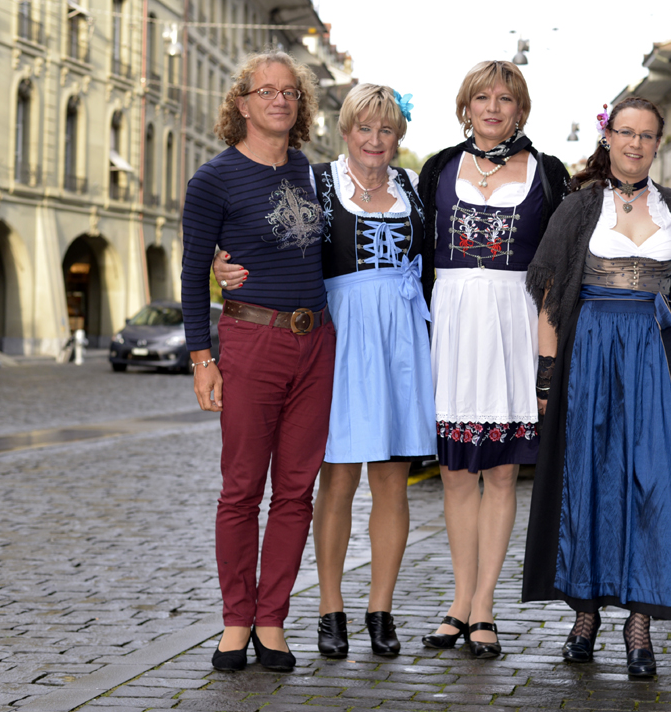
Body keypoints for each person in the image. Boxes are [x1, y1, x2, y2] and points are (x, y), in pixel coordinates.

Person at [213, 84, 432, 660]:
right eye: (365, 128)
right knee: (336, 477)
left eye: (387, 129)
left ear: (399, 135)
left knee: (392, 480)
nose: (375, 140)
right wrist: (221, 260)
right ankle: (329, 609)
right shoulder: (315, 181)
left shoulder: (413, 186)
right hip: (338, 334)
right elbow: (265, 230)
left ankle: (380, 609)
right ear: (345, 130)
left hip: (400, 341)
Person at [522, 97, 671, 679]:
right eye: (626, 132)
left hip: (652, 355)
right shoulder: (579, 208)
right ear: (608, 137)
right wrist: (546, 377)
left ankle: (639, 623)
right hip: (589, 352)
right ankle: (585, 614)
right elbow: (550, 297)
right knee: (589, 479)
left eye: (647, 135)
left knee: (648, 482)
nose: (635, 144)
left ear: (658, 144)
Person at [181, 50, 335, 673]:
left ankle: (272, 620)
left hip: (316, 342)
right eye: (265, 90)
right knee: (242, 488)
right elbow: (193, 274)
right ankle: (235, 620)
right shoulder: (213, 179)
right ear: (241, 103)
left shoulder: (314, 175)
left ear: (301, 105)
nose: (279, 100)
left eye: (289, 91)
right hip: (251, 340)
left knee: (296, 491)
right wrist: (202, 358)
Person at [416, 60, 570, 657]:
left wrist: (549, 359)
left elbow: (560, 268)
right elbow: (412, 251)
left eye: (505, 98)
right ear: (466, 106)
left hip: (515, 325)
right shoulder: (437, 169)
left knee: (503, 472)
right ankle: (458, 602)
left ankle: (485, 606)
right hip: (453, 326)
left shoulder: (548, 174)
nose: (492, 107)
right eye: (482, 97)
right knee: (456, 473)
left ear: (520, 109)